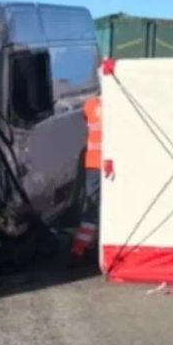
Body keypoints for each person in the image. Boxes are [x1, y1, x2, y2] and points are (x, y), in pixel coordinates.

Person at [70, 94, 102, 263]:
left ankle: (80, 247)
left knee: (92, 205)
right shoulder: (116, 104)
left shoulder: (90, 105)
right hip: (109, 162)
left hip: (93, 163)